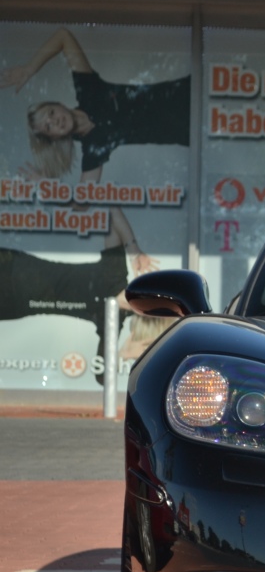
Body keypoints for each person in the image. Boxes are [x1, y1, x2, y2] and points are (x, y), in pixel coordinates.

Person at [1, 27, 189, 183]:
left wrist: (28, 69)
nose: (56, 121)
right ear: (55, 138)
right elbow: (82, 204)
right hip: (187, 130)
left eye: (51, 112)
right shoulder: (94, 147)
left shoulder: (89, 90)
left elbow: (63, 36)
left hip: (186, 92)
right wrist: (47, 187)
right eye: (48, 126)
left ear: (59, 104)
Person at [0, 206, 169, 380]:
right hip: (13, 268)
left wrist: (122, 355)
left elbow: (101, 375)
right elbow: (112, 212)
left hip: (13, 303)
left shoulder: (111, 321)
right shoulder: (114, 274)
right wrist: (134, 251)